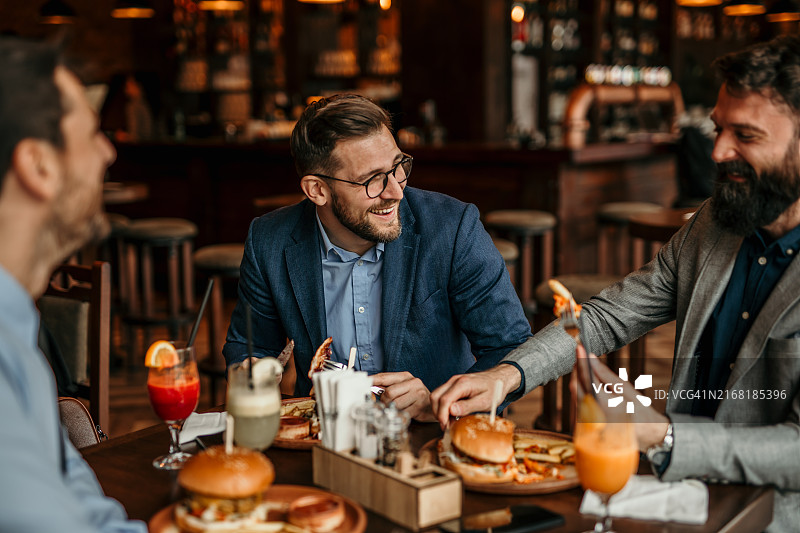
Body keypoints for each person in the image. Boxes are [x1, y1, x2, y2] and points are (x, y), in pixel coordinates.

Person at [431, 35, 800, 532]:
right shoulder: (715, 223)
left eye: (746, 136)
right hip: (677, 496)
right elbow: (607, 316)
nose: (716, 151)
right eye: (717, 129)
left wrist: (662, 436)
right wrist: (508, 374)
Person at [222, 94, 531, 421]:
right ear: (317, 190)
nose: (396, 191)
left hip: (430, 437)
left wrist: (441, 403)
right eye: (372, 180)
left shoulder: (452, 228)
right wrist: (251, 370)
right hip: (323, 436)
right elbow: (250, 347)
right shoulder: (269, 240)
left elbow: (510, 348)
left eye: (398, 167)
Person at [0, 37, 146, 532]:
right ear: (39, 165)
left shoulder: (19, 323)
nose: (107, 152)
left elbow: (75, 493)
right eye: (91, 133)